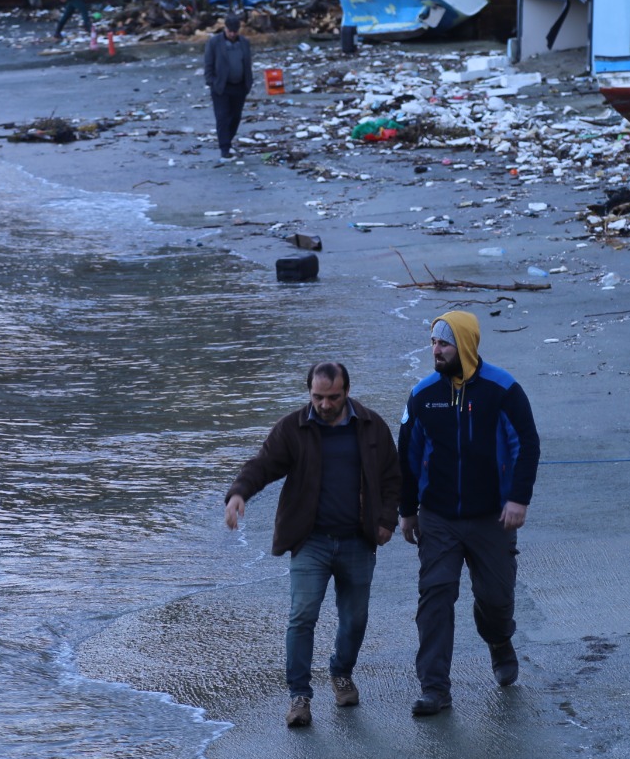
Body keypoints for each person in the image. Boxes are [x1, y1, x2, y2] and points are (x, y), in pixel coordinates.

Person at [225, 362, 401, 730]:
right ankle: (299, 697)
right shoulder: (294, 428)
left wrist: (386, 520)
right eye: (317, 397)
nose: (324, 404)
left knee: (355, 619)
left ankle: (341, 672)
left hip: (357, 539)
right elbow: (263, 465)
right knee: (302, 617)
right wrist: (239, 493)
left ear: (346, 392)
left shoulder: (371, 427)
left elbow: (391, 476)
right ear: (309, 393)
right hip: (311, 541)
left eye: (332, 397)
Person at [398, 311, 541, 717]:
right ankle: (434, 688)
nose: (436, 350)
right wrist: (408, 511)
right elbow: (406, 456)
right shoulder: (424, 395)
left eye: (444, 342)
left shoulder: (502, 389)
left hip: (492, 517)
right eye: (433, 342)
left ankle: (499, 640)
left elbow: (526, 444)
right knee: (436, 596)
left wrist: (518, 498)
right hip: (439, 517)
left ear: (465, 344)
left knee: (495, 599)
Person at [203, 14, 253, 161]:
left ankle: (228, 142)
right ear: (225, 28)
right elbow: (208, 64)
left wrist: (248, 83)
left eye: (235, 31)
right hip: (221, 87)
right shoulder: (214, 43)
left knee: (235, 117)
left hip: (240, 86)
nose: (232, 34)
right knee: (222, 117)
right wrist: (211, 81)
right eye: (230, 31)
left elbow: (247, 63)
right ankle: (224, 148)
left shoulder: (244, 42)